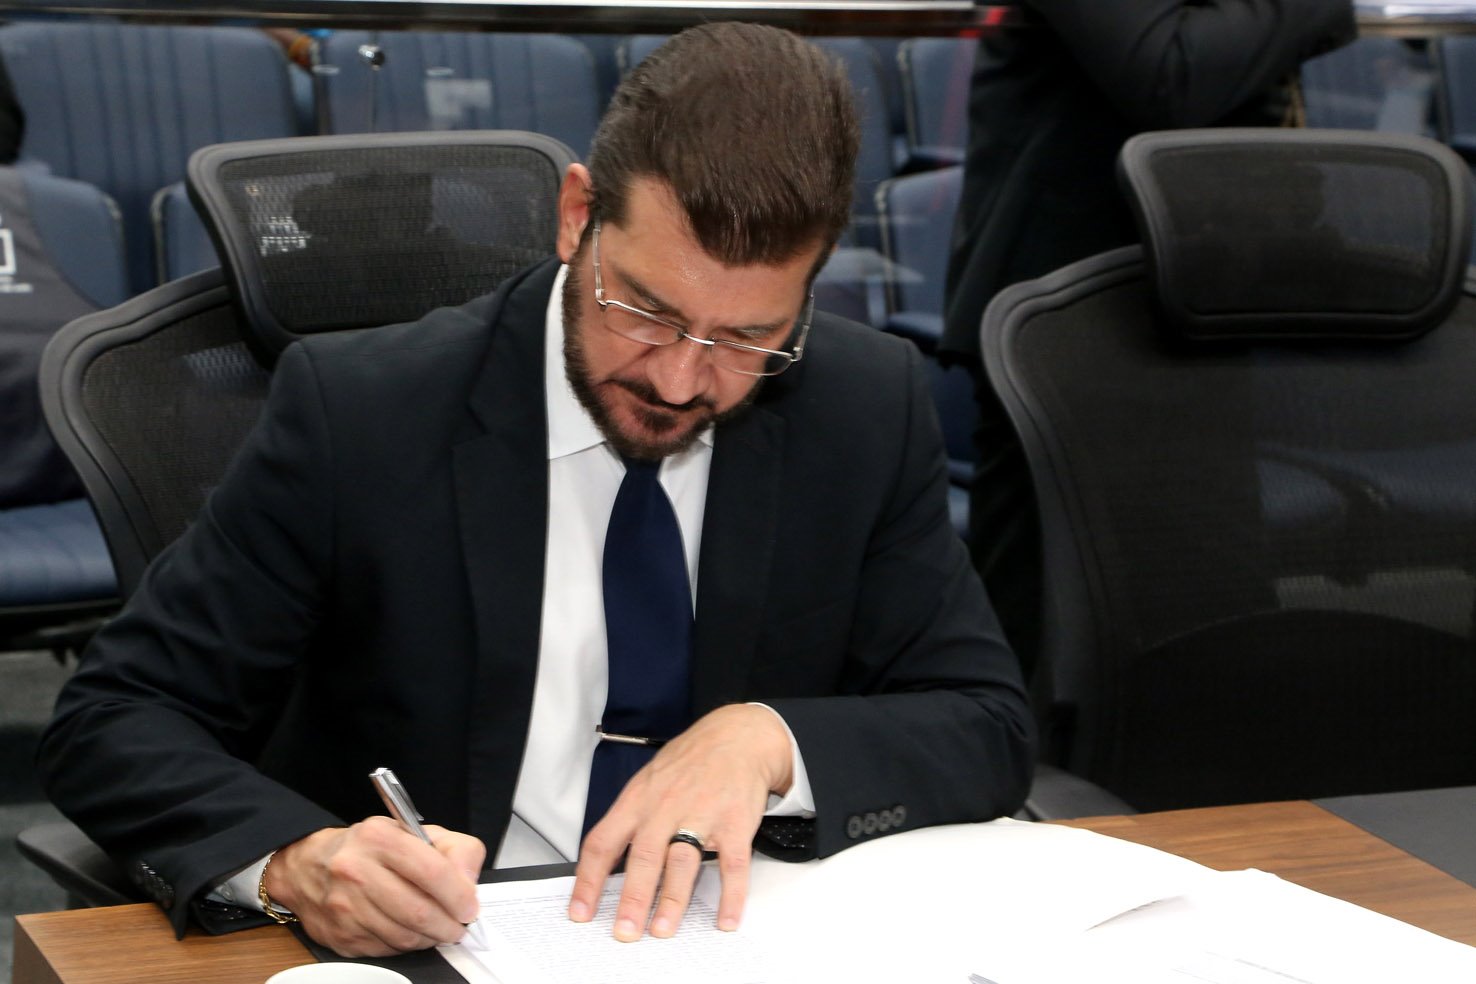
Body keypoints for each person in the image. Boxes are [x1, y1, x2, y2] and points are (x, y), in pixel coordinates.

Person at [39, 23, 1033, 958]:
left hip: (734, 942)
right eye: (646, 312)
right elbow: (116, 716)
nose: (680, 381)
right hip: (448, 949)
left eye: (747, 338)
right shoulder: (366, 413)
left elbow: (987, 722)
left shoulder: (861, 405)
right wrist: (297, 864)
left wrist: (766, 739)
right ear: (576, 216)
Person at [942, 0, 1357, 684]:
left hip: (1201, 292)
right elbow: (1173, 73)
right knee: (1042, 658)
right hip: (1063, 318)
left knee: (1220, 640)